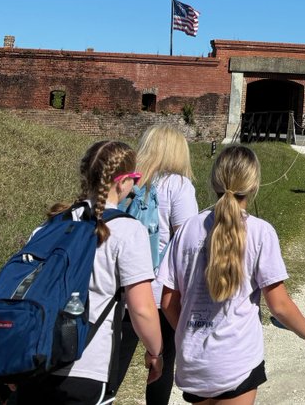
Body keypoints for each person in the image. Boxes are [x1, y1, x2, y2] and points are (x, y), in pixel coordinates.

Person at [160, 145, 305, 404]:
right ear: (254, 185)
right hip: (235, 361)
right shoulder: (261, 233)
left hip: (193, 364)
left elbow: (168, 302)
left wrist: (189, 333)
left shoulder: (187, 230)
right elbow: (279, 305)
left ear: (213, 180)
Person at [16, 140, 164, 405]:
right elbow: (141, 308)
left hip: (35, 362)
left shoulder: (49, 225)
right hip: (87, 367)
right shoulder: (129, 231)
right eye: (135, 178)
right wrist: (156, 352)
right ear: (122, 182)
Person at [112, 125, 200, 405]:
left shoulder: (127, 184)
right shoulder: (179, 185)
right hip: (161, 293)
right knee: (161, 364)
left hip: (123, 287)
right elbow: (188, 240)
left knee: (113, 365)